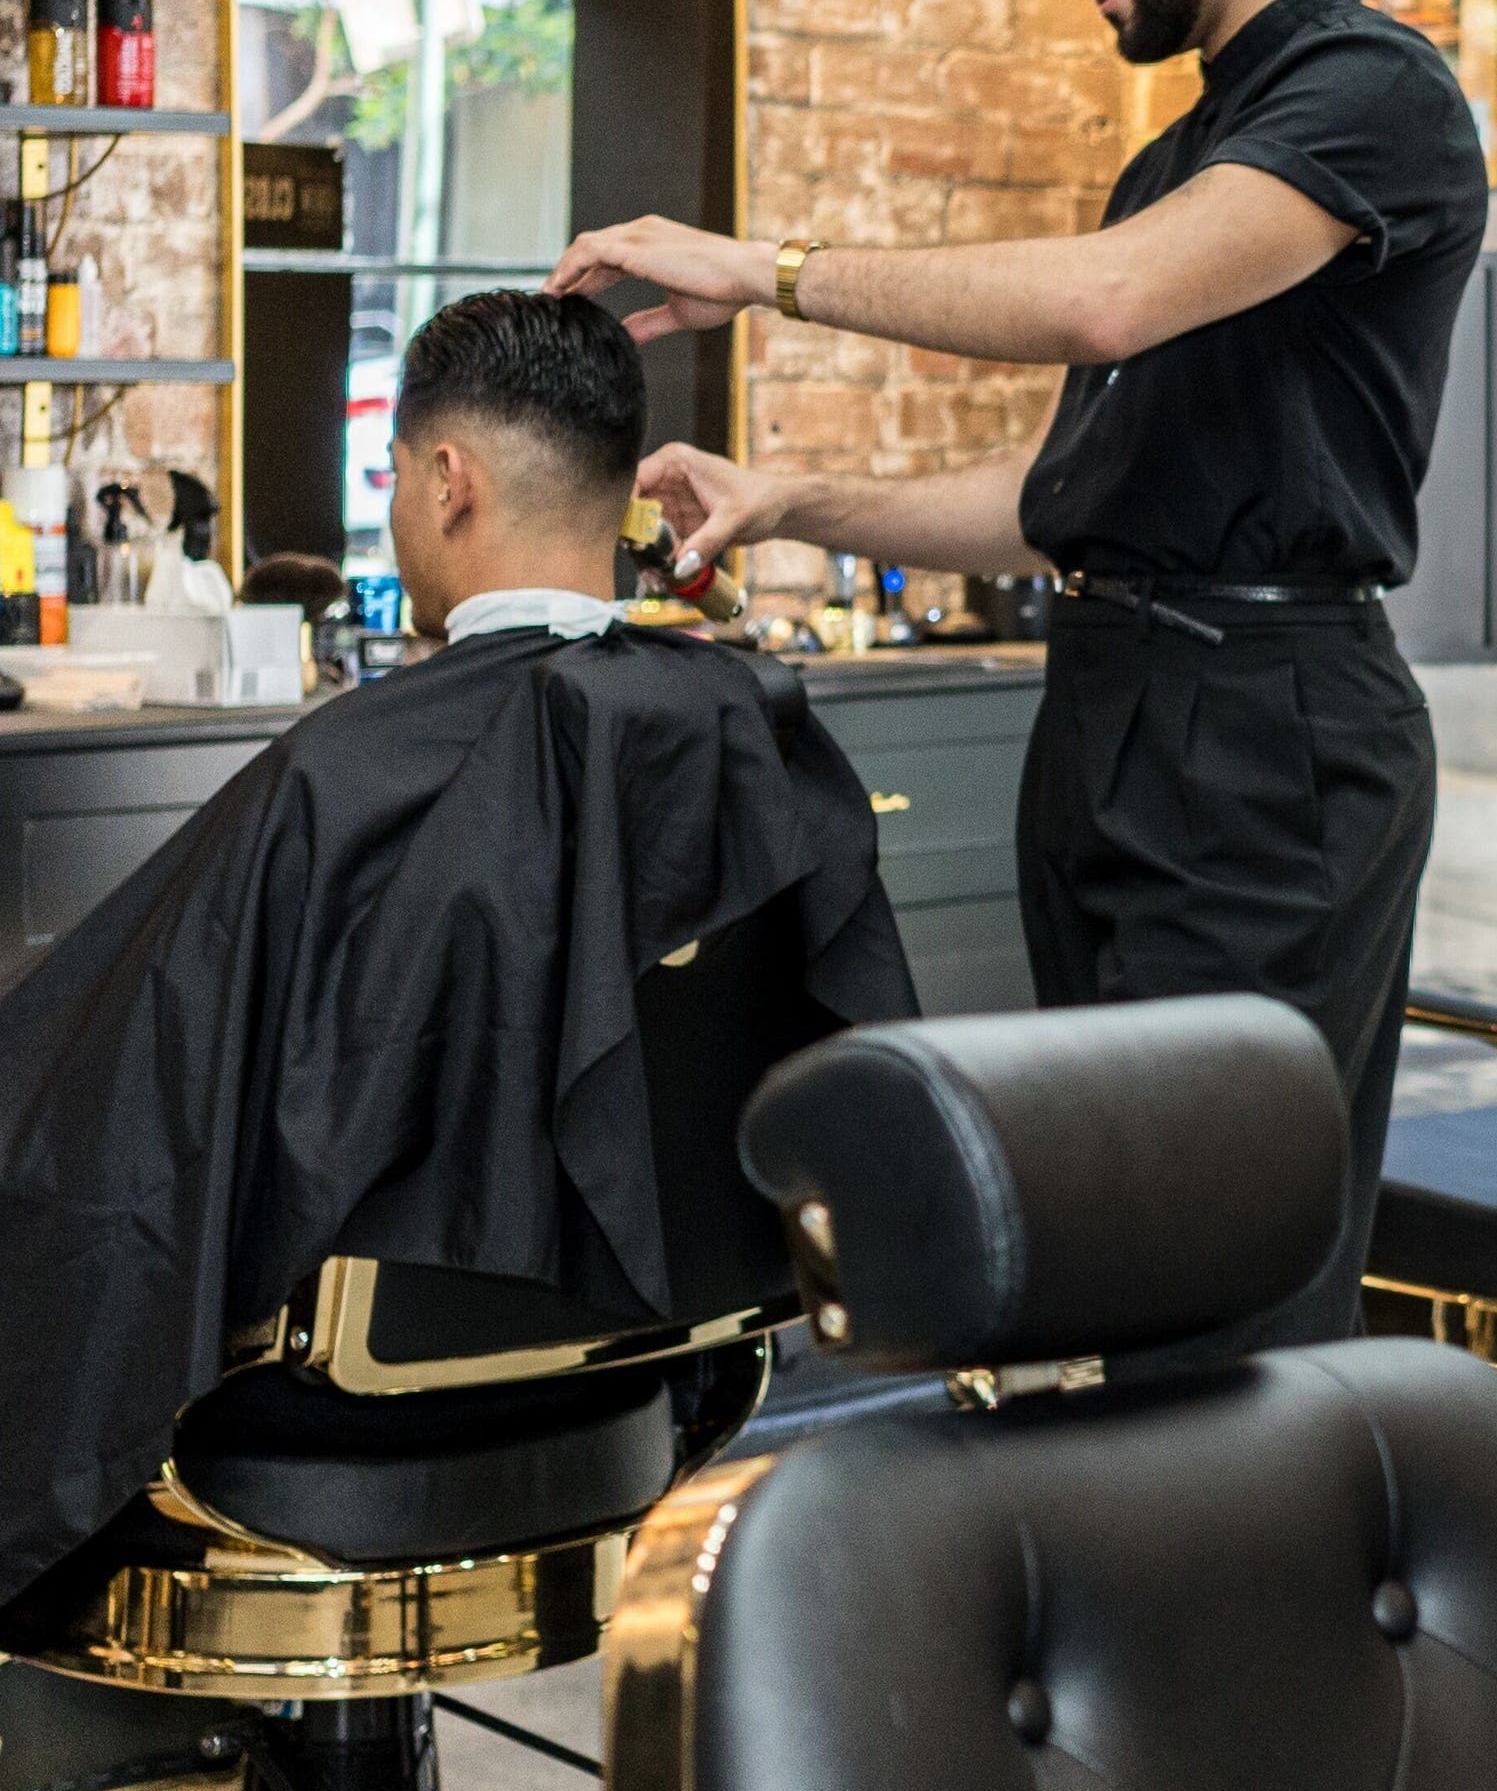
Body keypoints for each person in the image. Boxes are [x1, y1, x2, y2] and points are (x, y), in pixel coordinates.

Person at [543, 0, 1488, 1352]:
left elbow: (1110, 302)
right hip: (1118, 708)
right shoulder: (1185, 157)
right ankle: (1139, 1602)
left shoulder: (1374, 101)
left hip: (1272, 744)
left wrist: (765, 272)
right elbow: (1073, 507)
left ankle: (1261, 1609)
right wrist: (792, 503)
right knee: (1109, 1266)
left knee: (1228, 1287)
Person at [0, 291, 912, 1611]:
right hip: (645, 1370)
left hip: (338, 1416)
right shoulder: (750, 727)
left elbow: (131, 1118)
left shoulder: (344, 771)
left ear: (446, 480)